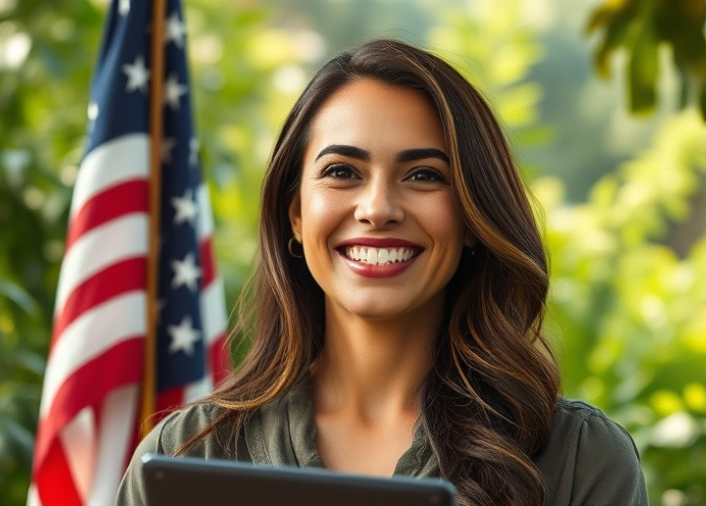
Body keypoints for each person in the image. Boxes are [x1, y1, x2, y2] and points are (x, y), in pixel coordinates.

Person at [116, 38, 648, 505]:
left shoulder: (580, 458)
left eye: (423, 175)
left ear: (471, 216)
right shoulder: (190, 454)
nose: (377, 208)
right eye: (341, 172)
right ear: (296, 214)